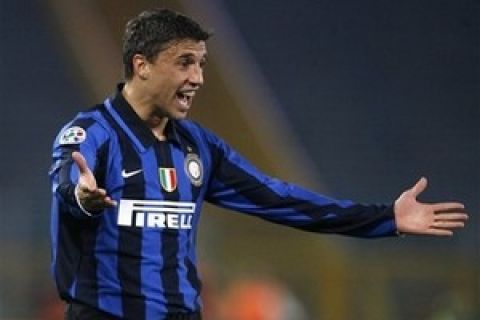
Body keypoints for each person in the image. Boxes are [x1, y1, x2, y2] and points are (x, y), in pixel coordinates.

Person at [49, 8, 468, 320]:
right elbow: (69, 180)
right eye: (184, 63)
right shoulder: (92, 133)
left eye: (201, 64)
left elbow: (280, 198)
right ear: (141, 65)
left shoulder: (198, 146)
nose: (198, 78)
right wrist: (81, 198)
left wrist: (385, 218)